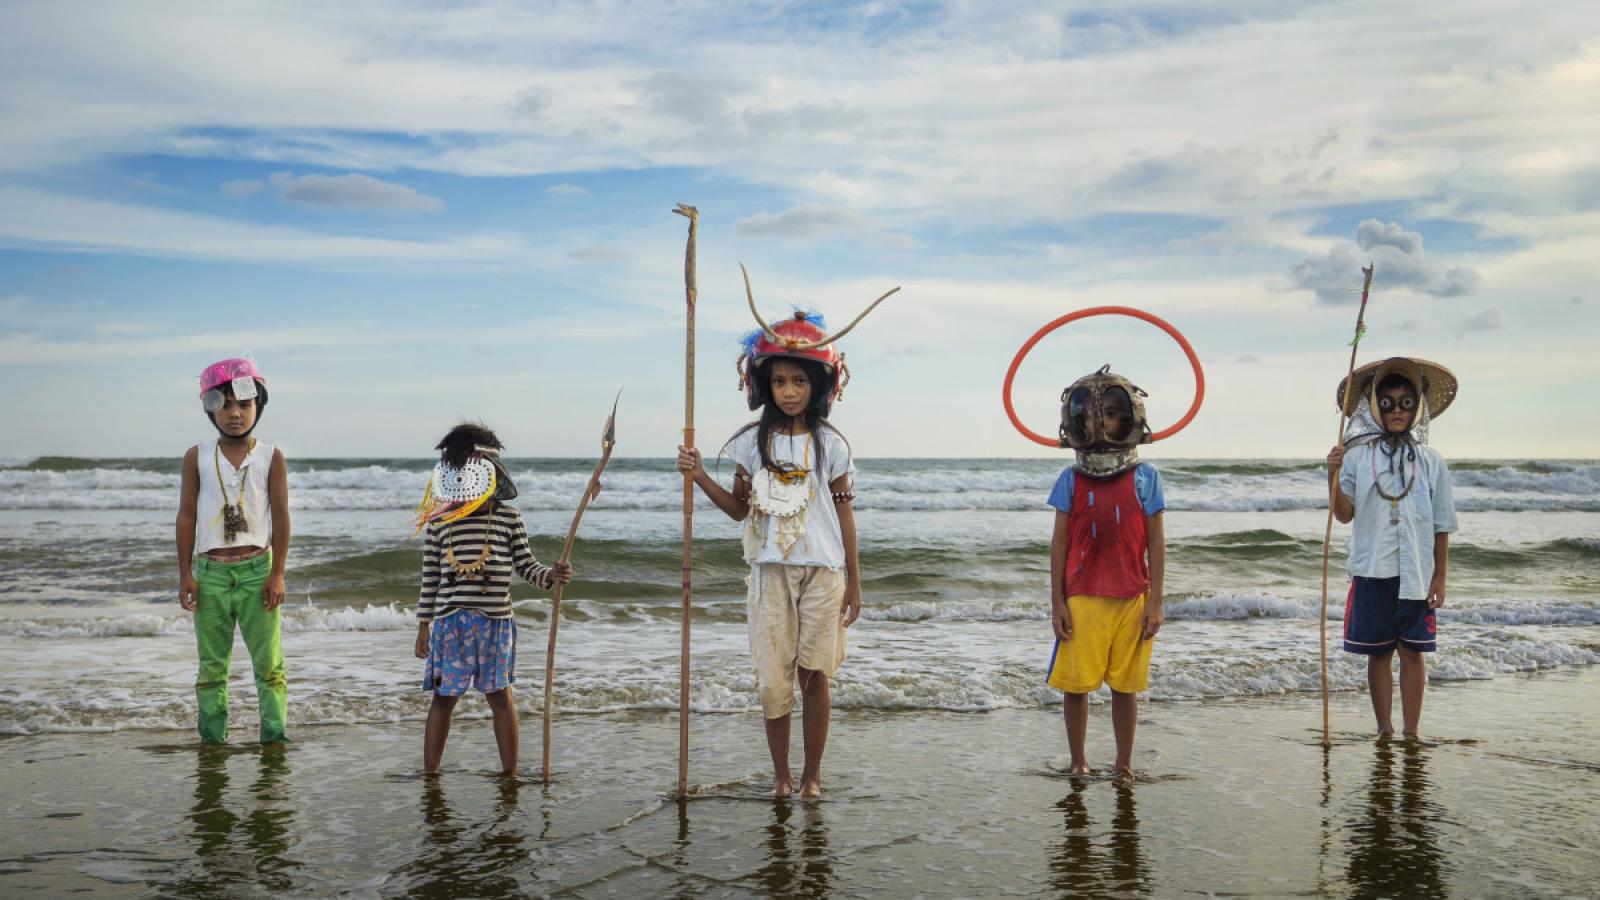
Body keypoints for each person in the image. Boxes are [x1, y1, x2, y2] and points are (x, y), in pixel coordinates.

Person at [677, 275, 895, 797]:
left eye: (800, 381)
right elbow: (737, 512)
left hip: (824, 572)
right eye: (780, 382)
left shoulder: (834, 446)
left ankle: (812, 776)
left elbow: (844, 516)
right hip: (768, 571)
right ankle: (780, 776)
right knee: (774, 680)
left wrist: (856, 583)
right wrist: (700, 474)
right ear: (764, 385)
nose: (790, 391)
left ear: (819, 384)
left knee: (815, 676)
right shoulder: (749, 445)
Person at [412, 423, 573, 775]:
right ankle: (431, 775)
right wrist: (423, 626)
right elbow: (431, 579)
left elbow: (526, 564)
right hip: (450, 624)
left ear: (492, 475)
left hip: (496, 624)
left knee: (501, 698)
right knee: (443, 699)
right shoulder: (440, 523)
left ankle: (510, 774)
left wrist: (549, 575)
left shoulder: (509, 519)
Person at [1045, 365, 1167, 777]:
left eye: (1112, 413)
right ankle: (1079, 762)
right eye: (1093, 415)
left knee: (1125, 686)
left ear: (1130, 417)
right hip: (1082, 598)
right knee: (1076, 685)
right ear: (1077, 420)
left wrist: (1156, 602)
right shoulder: (1070, 479)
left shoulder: (1146, 477)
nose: (1101, 422)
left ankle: (1123, 763)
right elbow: (1059, 543)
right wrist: (1058, 601)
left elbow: (1155, 542)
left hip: (1132, 596)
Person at [1326, 357, 1458, 738]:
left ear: (1418, 409)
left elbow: (1442, 524)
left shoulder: (1432, 462)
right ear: (1374, 408)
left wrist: (1440, 577)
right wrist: (1332, 475)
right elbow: (1344, 514)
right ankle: (1384, 729)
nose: (1397, 410)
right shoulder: (1356, 457)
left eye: (1405, 403)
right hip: (1372, 570)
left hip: (1416, 573)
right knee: (1378, 653)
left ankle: (1411, 731)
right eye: (1388, 403)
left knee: (1413, 653)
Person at [177, 357, 291, 743]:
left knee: (270, 668)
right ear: (210, 410)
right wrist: (185, 574)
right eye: (223, 405)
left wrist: (277, 573)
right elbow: (186, 517)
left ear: (258, 405)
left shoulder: (270, 456)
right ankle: (212, 743)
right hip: (210, 574)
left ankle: (274, 742)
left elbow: (281, 516)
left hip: (258, 570)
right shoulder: (197, 456)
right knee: (211, 671)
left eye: (243, 404)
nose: (235, 414)